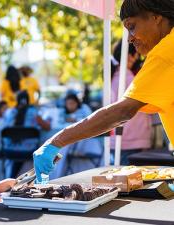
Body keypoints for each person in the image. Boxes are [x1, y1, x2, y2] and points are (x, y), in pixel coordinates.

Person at [33, 0, 174, 183]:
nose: (130, 38)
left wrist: (55, 142)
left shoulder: (165, 52)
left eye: (132, 27)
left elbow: (123, 111)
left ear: (156, 17)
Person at [110, 41, 152, 165]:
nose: (138, 57)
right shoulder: (129, 79)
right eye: (136, 54)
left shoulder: (113, 76)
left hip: (121, 137)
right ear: (129, 55)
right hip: (132, 138)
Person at [49, 94, 102, 179]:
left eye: (72, 103)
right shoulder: (62, 112)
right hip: (71, 144)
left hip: (85, 144)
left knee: (60, 147)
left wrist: (76, 120)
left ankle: (56, 175)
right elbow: (57, 123)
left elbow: (89, 122)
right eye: (68, 103)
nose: (70, 106)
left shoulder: (84, 109)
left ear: (77, 103)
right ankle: (54, 174)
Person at [4, 91, 50, 178]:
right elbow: (47, 127)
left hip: (9, 150)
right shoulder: (34, 112)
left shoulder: (9, 112)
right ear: (28, 100)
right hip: (29, 151)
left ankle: (11, 179)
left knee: (16, 163)